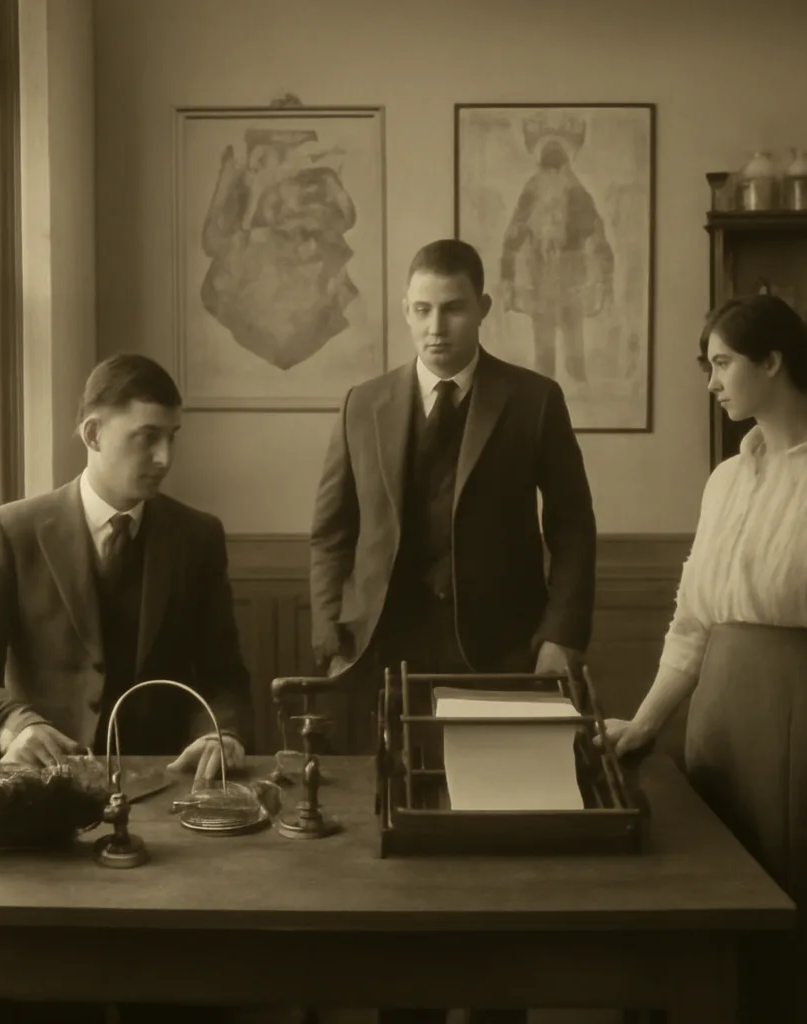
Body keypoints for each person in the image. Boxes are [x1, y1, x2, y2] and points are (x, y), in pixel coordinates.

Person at [309, 238, 598, 1024]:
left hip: (502, 653)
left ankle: (500, 1010)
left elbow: (572, 526)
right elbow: (331, 532)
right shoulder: (362, 402)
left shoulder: (533, 398)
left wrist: (560, 636)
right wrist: (331, 632)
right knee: (398, 847)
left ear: (484, 308)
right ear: (406, 311)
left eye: (454, 308)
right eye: (421, 310)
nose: (436, 327)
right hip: (386, 656)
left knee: (500, 853)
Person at [600, 294, 807, 1024]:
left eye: (723, 363)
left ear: (773, 362)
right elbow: (693, 624)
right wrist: (645, 725)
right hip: (719, 735)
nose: (711, 381)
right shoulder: (726, 480)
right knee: (718, 931)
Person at [0, 354, 254, 1024]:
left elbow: (224, 675)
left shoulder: (197, 537)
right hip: (37, 825)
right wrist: (14, 724)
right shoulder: (12, 531)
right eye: (146, 438)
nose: (164, 457)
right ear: (92, 433)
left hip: (166, 821)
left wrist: (220, 731)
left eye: (172, 438)